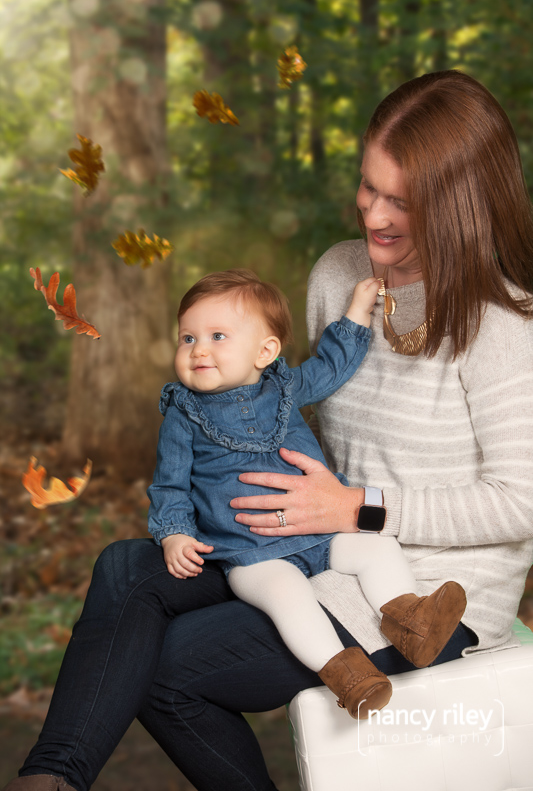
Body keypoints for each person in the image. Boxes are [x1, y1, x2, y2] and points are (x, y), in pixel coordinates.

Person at [4, 69, 533, 791]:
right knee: (126, 571)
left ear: (459, 206)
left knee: (168, 668)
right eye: (366, 186)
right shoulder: (336, 276)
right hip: (309, 543)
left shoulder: (507, 327)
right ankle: (53, 778)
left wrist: (356, 507)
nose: (372, 215)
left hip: (425, 591)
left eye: (399, 202)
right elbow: (287, 407)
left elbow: (518, 503)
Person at [149, 268, 467, 719]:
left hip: (324, 532)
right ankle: (346, 674)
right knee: (289, 597)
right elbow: (170, 484)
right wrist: (174, 534)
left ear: (266, 351)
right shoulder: (184, 414)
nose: (198, 349)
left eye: (217, 336)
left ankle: (409, 619)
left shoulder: (283, 388)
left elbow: (330, 368)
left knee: (375, 547)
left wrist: (357, 314)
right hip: (254, 554)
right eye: (187, 338)